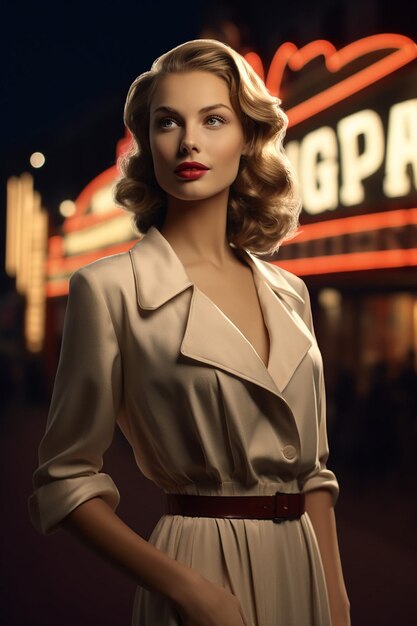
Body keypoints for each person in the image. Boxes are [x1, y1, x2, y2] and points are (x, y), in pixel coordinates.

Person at [29, 39, 350, 626]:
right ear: (148, 144)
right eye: (167, 122)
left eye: (214, 119)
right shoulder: (109, 289)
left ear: (248, 138)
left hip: (303, 571)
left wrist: (336, 600)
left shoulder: (291, 292)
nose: (189, 141)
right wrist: (187, 589)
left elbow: (313, 476)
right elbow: (64, 479)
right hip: (197, 573)